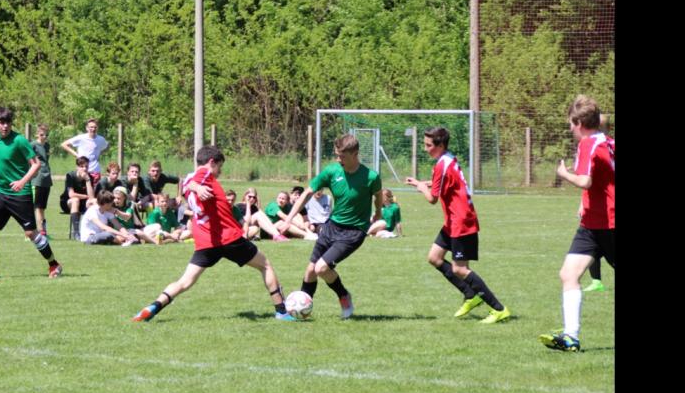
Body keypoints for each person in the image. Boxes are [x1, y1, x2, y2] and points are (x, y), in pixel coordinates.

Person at [132, 145, 297, 322]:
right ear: (211, 162)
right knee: (265, 265)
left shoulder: (192, 181)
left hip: (206, 242)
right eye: (219, 166)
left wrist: (196, 187)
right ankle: (281, 311)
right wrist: (198, 187)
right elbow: (192, 181)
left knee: (185, 282)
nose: (219, 172)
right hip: (228, 237)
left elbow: (187, 182)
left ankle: (153, 306)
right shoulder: (204, 175)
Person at [405, 127, 510, 324]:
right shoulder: (448, 159)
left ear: (440, 145)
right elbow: (441, 182)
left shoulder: (441, 165)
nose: (425, 149)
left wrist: (421, 187)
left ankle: (498, 309)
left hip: (461, 222)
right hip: (453, 221)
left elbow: (432, 199)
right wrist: (421, 183)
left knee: (459, 269)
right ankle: (470, 295)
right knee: (434, 258)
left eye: (428, 145)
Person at [539, 96, 614, 352]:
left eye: (571, 124)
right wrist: (585, 202)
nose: (570, 129)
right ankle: (571, 337)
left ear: (579, 123)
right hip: (592, 224)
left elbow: (585, 181)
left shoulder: (587, 143)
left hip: (609, 223)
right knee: (568, 274)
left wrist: (564, 174)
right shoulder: (607, 141)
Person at [283, 134, 382, 319]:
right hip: (332, 226)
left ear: (355, 154)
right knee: (311, 270)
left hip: (354, 231)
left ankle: (344, 296)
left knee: (321, 268)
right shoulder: (332, 172)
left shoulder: (371, 177)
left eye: (342, 156)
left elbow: (378, 196)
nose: (338, 159)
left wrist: (378, 213)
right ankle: (299, 312)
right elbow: (308, 192)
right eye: (337, 155)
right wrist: (289, 218)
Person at [0, 107, 62, 279]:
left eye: (8, 122)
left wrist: (22, 182)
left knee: (31, 233)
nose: (5, 126)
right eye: (1, 122)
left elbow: (36, 164)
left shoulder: (19, 141)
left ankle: (54, 264)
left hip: (20, 194)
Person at [582, 112, 612, 294]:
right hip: (596, 211)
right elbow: (590, 182)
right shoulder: (596, 147)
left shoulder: (606, 148)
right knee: (591, 249)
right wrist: (582, 203)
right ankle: (596, 281)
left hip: (608, 212)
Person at [60, 118, 109, 186]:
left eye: (95, 127)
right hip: (83, 171)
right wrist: (76, 155)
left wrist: (99, 153)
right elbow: (64, 144)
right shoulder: (81, 138)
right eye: (91, 127)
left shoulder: (101, 139)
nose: (93, 129)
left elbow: (107, 146)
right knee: (82, 191)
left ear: (97, 128)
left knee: (95, 191)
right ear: (87, 128)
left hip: (95, 171)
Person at [59, 156, 95, 240]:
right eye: (82, 166)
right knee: (75, 200)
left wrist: (87, 180)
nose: (84, 169)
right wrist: (85, 196)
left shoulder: (89, 177)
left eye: (86, 166)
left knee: (93, 202)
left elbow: (91, 197)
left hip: (83, 203)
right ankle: (76, 232)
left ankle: (92, 231)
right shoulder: (70, 176)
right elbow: (71, 194)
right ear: (77, 167)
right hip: (67, 203)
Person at [30, 124, 52, 236]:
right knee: (37, 206)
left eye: (46, 135)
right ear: (37, 134)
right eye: (42, 135)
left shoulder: (47, 145)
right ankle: (38, 231)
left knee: (43, 207)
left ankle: (43, 231)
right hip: (37, 178)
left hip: (47, 178)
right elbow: (27, 159)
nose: (44, 137)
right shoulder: (33, 145)